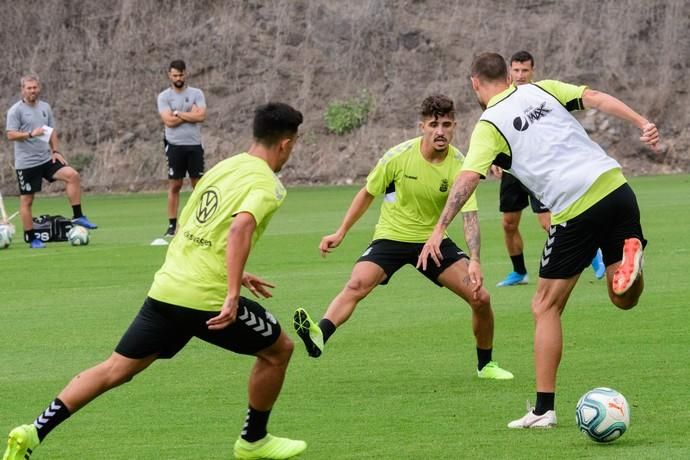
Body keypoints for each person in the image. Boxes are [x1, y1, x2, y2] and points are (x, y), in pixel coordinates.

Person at [2, 103, 308, 460]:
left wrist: (235, 271)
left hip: (167, 289)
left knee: (114, 369)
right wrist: (231, 291)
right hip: (205, 299)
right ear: (285, 144)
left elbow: (194, 225)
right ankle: (253, 440)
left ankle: (33, 431)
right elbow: (240, 226)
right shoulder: (268, 184)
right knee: (279, 351)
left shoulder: (225, 167)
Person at [417, 53, 659, 429]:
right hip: (616, 187)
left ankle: (544, 410)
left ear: (475, 83)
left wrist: (438, 228)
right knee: (622, 298)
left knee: (544, 306)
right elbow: (594, 96)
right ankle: (633, 262)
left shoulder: (489, 124)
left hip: (574, 208)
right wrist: (643, 122)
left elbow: (467, 179)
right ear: (508, 75)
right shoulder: (542, 89)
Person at [293, 95, 513, 381]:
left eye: (446, 125)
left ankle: (486, 365)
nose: (440, 131)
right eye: (434, 124)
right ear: (422, 126)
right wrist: (341, 231)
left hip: (433, 242)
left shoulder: (461, 165)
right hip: (392, 236)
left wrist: (475, 260)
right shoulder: (397, 156)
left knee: (480, 297)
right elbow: (367, 193)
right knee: (357, 283)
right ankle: (320, 334)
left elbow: (469, 214)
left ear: (455, 126)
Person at [492, 51, 605, 286]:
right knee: (508, 223)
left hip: (538, 169)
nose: (520, 75)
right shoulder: (502, 99)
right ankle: (519, 272)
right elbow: (495, 131)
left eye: (525, 70)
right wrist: (494, 158)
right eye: (516, 70)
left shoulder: (539, 95)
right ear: (509, 71)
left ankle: (594, 254)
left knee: (547, 222)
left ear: (532, 71)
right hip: (515, 170)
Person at [5, 74, 97, 249]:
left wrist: (55, 151)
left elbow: (52, 131)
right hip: (27, 164)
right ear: (22, 90)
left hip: (46, 159)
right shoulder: (15, 111)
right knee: (27, 201)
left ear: (39, 88)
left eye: (35, 87)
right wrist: (31, 134)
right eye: (29, 88)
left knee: (72, 175)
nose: (32, 91)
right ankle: (32, 238)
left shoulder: (45, 107)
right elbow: (10, 134)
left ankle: (78, 216)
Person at [157, 59, 207, 237]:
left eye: (181, 74)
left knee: (198, 185)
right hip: (175, 145)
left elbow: (201, 116)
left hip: (194, 144)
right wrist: (189, 115)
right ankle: (172, 225)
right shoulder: (164, 97)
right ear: (169, 76)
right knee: (175, 185)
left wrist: (178, 113)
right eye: (175, 75)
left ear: (186, 74)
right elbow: (169, 122)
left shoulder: (196, 93)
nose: (178, 78)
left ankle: (202, 221)